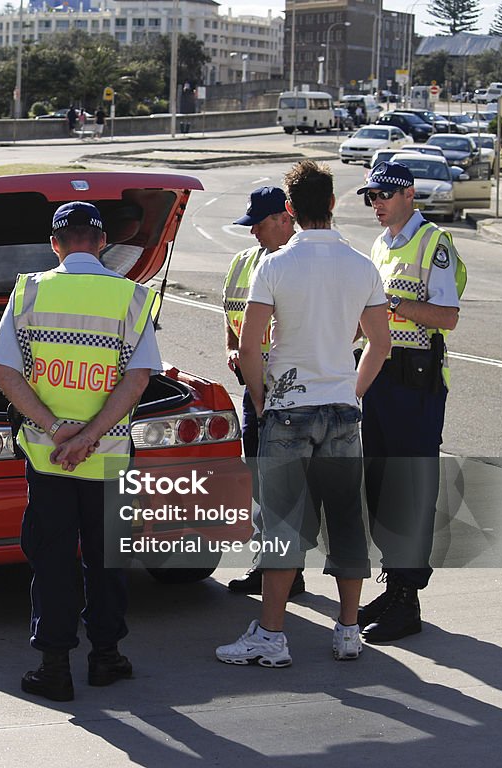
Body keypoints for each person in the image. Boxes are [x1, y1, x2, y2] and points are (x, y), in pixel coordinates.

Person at [215, 160, 391, 667]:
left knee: (282, 526)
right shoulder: (362, 266)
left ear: (290, 209)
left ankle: (272, 636)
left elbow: (250, 349)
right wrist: (354, 393)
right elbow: (380, 343)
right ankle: (349, 630)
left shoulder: (273, 266)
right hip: (340, 410)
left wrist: (260, 397)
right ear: (333, 204)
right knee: (346, 523)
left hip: (288, 408)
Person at [0, 201, 162, 701]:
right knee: (107, 560)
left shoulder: (29, 292)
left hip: (48, 458)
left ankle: (54, 667)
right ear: (103, 242)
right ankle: (106, 658)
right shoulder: (131, 297)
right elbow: (138, 377)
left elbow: (3, 371)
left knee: (54, 562)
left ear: (55, 244)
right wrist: (90, 437)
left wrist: (56, 428)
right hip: (106, 458)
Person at [355, 161, 464, 643]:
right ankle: (394, 583)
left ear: (407, 194)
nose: (374, 203)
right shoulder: (380, 244)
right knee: (379, 485)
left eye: (381, 194)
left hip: (416, 383)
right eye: (369, 196)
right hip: (379, 377)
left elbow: (447, 316)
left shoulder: (432, 242)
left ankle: (408, 598)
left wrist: (392, 306)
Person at [222, 187, 305, 599]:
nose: (252, 231)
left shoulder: (302, 263)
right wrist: (230, 348)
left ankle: (291, 569)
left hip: (291, 393)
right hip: (255, 392)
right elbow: (232, 317)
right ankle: (267, 564)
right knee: (260, 482)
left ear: (285, 218)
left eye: (259, 223)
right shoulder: (243, 263)